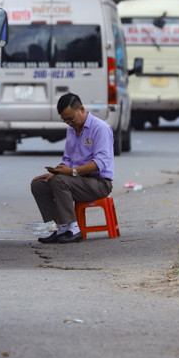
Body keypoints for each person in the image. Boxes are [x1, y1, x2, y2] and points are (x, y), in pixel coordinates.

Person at [30, 92, 114, 244]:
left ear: (81, 109)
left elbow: (100, 163)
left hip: (99, 183)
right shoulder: (71, 130)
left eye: (71, 119)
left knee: (60, 181)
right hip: (75, 179)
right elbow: (68, 159)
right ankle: (62, 228)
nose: (69, 123)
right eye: (65, 120)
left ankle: (74, 229)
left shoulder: (100, 128)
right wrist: (56, 172)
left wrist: (71, 172)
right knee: (39, 185)